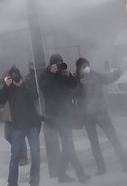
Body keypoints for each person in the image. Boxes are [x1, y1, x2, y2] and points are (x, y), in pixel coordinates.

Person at [75, 58, 127, 174]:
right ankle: (101, 168)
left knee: (114, 139)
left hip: (101, 113)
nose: (85, 69)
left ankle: (126, 165)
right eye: (83, 67)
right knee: (94, 144)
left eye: (87, 66)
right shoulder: (75, 80)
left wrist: (120, 70)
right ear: (78, 69)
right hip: (87, 116)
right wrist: (79, 85)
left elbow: (109, 78)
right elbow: (71, 93)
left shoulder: (95, 75)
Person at [38, 54, 90, 183]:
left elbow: (73, 86)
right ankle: (80, 173)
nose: (58, 66)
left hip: (66, 113)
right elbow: (45, 88)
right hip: (56, 116)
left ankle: (61, 174)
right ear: (51, 65)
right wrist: (52, 74)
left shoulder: (62, 75)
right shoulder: (45, 75)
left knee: (67, 145)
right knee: (68, 144)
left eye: (60, 64)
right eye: (56, 64)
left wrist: (69, 75)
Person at [0, 66, 42, 186]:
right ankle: (12, 183)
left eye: (17, 76)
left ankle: (34, 181)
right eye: (12, 77)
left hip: (31, 124)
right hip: (17, 126)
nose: (15, 79)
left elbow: (35, 96)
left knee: (36, 154)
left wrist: (23, 85)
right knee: (15, 157)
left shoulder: (26, 86)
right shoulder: (8, 89)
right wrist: (6, 86)